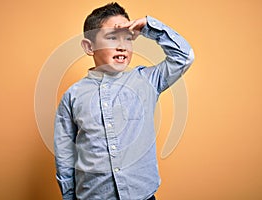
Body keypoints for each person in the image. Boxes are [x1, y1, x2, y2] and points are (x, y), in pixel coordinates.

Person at [54, 2, 194, 200]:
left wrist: (148, 26)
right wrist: (68, 196)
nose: (122, 46)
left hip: (142, 196)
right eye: (112, 37)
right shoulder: (72, 96)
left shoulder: (146, 81)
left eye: (127, 39)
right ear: (89, 46)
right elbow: (65, 154)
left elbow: (184, 56)